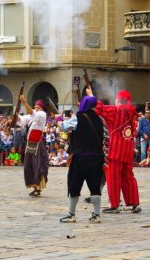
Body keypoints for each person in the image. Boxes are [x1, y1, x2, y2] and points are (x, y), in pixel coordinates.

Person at [91, 89, 141, 214]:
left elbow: (98, 108)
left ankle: (114, 205)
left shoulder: (115, 110)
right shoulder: (133, 113)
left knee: (113, 177)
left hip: (115, 150)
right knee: (128, 177)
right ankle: (135, 203)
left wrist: (91, 95)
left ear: (118, 100)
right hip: (128, 151)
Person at [59, 95, 104, 224]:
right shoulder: (100, 119)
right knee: (95, 187)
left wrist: (62, 120)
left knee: (74, 185)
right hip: (96, 158)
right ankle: (96, 215)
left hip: (80, 158)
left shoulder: (77, 118)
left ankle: (71, 214)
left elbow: (63, 127)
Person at [17, 97, 49, 197]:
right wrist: (16, 117)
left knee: (38, 167)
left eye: (38, 107)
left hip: (38, 145)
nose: (36, 108)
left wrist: (25, 102)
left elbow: (32, 113)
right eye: (35, 107)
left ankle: (38, 188)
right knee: (28, 166)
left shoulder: (42, 114)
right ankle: (34, 186)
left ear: (42, 108)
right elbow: (24, 119)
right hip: (30, 144)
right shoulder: (32, 116)